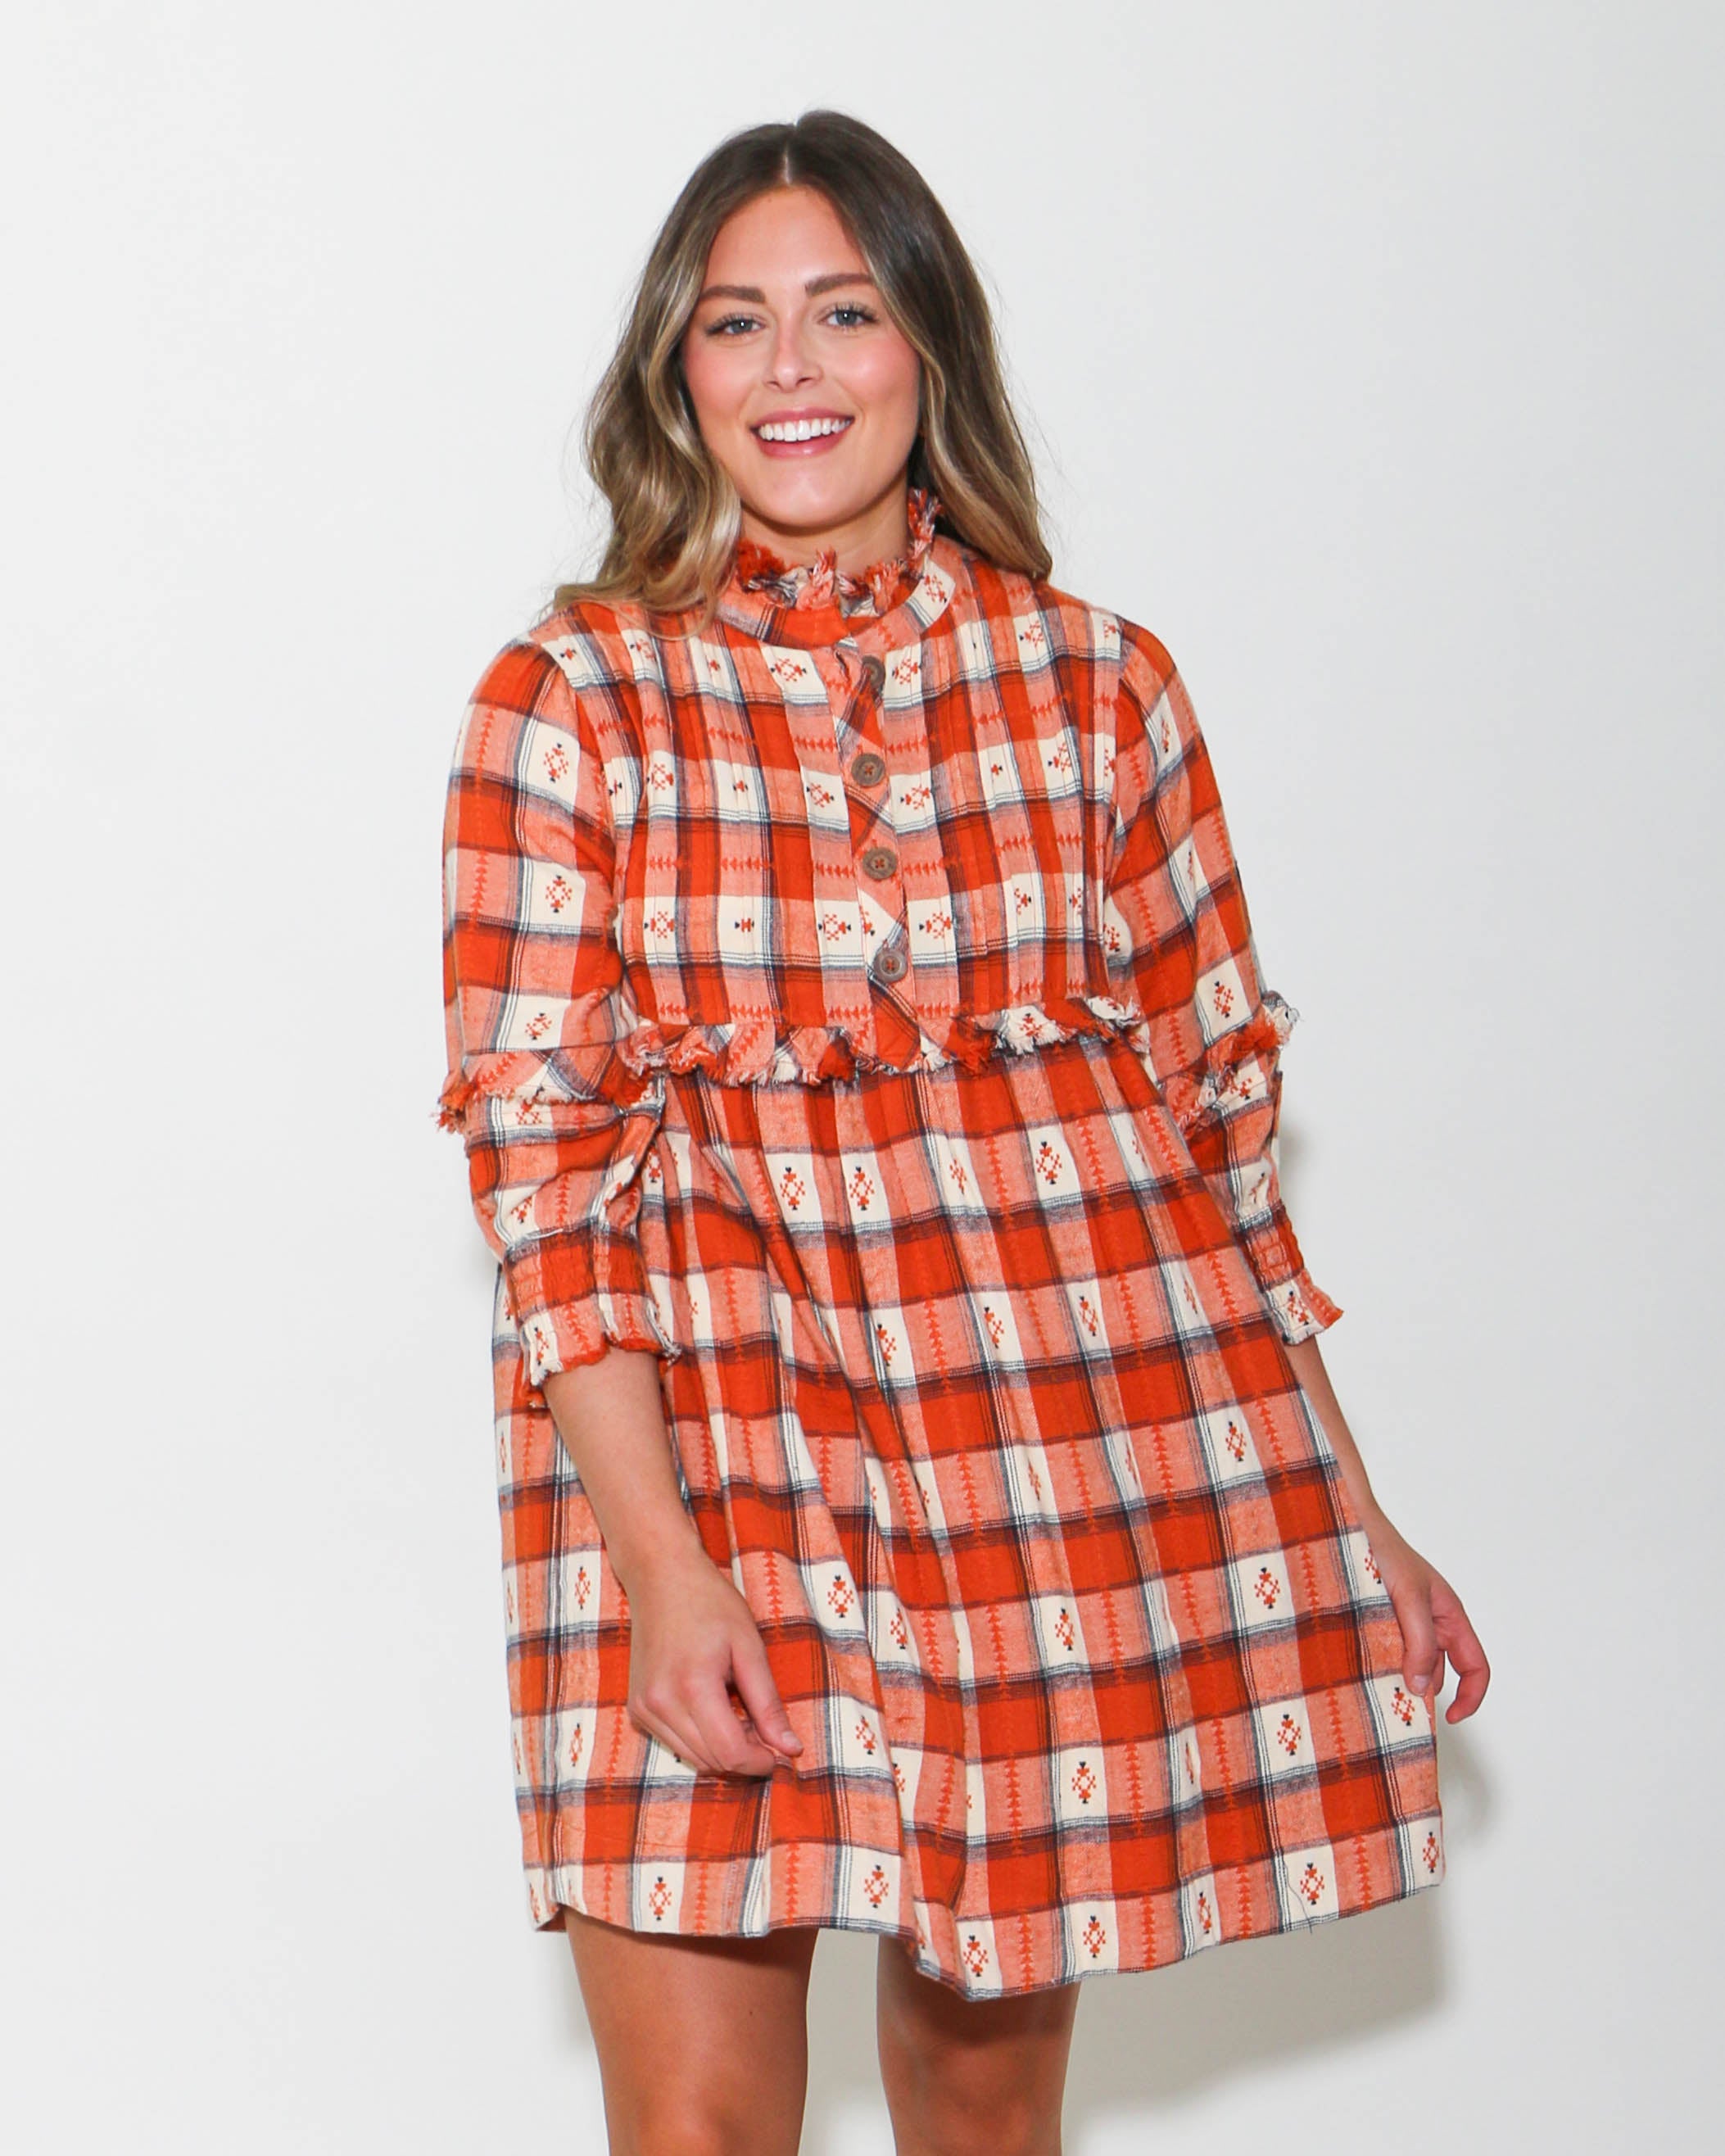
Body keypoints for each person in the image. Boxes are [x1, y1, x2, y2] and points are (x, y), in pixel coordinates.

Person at [437, 109, 1490, 2156]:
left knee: (987, 2110)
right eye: (734, 322)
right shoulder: (572, 697)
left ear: (930, 345)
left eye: (845, 312)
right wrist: (660, 1565)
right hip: (701, 1460)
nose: (792, 368)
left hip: (1037, 1458)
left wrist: (1353, 1512)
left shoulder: (1102, 685)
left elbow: (1215, 1156)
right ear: (677, 371)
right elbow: (543, 1174)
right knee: (700, 2123)